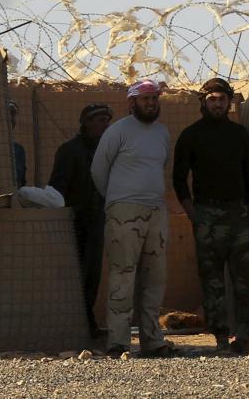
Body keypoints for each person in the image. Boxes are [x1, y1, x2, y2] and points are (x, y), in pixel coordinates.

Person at [171, 78, 249, 356]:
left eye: (221, 99)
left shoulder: (238, 134)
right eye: (212, 99)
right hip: (207, 216)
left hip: (240, 216)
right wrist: (193, 213)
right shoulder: (191, 135)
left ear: (228, 102)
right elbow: (179, 179)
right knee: (213, 281)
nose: (217, 104)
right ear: (203, 102)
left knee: (248, 279)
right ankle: (221, 338)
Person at [90, 79, 174, 357]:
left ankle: (152, 340)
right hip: (124, 212)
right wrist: (117, 201)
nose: (151, 103)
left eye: (154, 99)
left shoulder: (162, 133)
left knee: (155, 278)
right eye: (145, 99)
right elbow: (99, 170)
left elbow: (160, 167)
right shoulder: (118, 132)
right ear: (132, 103)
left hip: (156, 212)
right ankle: (118, 341)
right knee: (122, 275)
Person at [49, 102, 113, 336]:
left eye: (107, 120)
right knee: (75, 275)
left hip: (97, 221)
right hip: (74, 223)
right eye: (100, 120)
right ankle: (75, 323)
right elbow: (57, 189)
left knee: (92, 274)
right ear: (86, 122)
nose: (105, 125)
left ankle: (88, 322)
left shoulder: (106, 151)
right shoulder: (70, 150)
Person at [8, 99, 27, 188]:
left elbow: (21, 180)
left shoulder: (17, 149)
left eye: (12, 115)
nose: (11, 120)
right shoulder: (17, 149)